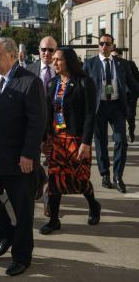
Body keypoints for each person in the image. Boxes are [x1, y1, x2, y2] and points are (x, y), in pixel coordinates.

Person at [0, 37, 46, 276]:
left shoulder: (30, 82)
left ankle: (22, 256)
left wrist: (29, 155)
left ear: (13, 56)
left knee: (22, 210)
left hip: (18, 160)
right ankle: (7, 235)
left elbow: (37, 124)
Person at [40, 47, 101, 235]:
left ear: (69, 61)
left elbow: (91, 115)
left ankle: (93, 205)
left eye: (59, 59)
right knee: (55, 179)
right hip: (56, 139)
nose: (55, 62)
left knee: (80, 178)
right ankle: (54, 220)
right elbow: (47, 114)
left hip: (76, 139)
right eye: (54, 59)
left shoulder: (85, 82)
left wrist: (86, 142)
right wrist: (44, 139)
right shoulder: (52, 83)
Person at [83, 33, 139, 193]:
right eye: (101, 44)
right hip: (98, 108)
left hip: (116, 107)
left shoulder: (122, 64)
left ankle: (118, 176)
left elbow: (133, 84)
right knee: (101, 143)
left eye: (107, 44)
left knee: (121, 141)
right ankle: (105, 174)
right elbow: (81, 85)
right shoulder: (89, 64)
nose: (104, 46)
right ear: (98, 46)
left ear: (112, 46)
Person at [28, 36, 58, 167]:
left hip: (57, 117)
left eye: (51, 50)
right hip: (34, 117)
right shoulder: (29, 70)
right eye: (44, 49)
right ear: (39, 50)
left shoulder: (62, 69)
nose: (47, 53)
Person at [111, 48, 139, 143]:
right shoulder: (109, 65)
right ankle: (119, 136)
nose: (113, 58)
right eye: (112, 56)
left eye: (115, 56)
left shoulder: (129, 64)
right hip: (117, 97)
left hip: (129, 95)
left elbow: (136, 77)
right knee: (118, 117)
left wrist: (135, 92)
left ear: (121, 55)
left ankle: (131, 132)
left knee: (130, 117)